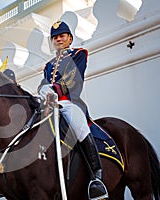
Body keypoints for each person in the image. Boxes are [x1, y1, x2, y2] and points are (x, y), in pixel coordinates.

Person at [38, 20, 108, 199]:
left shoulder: (79, 54)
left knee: (78, 124)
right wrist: (43, 89)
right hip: (50, 105)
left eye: (62, 36)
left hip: (69, 102)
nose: (58, 40)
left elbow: (74, 78)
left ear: (70, 38)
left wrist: (53, 89)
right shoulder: (48, 65)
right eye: (55, 38)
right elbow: (43, 83)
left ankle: (96, 176)